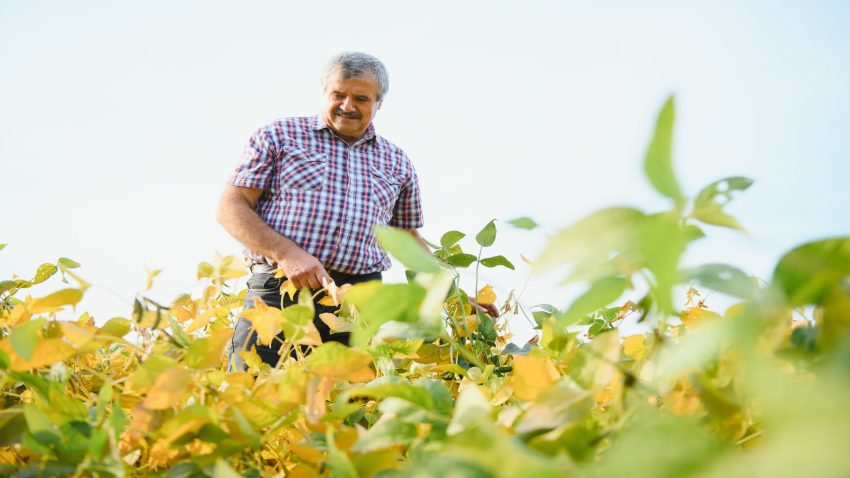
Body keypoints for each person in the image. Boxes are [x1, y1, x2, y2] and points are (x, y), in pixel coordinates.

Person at [218, 52, 425, 370]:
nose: (347, 106)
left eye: (361, 98)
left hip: (357, 307)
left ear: (378, 103)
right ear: (325, 93)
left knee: (348, 409)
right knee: (253, 397)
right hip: (280, 293)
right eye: (338, 95)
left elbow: (407, 239)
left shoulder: (397, 161)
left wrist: (450, 293)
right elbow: (230, 206)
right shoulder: (279, 136)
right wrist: (287, 254)